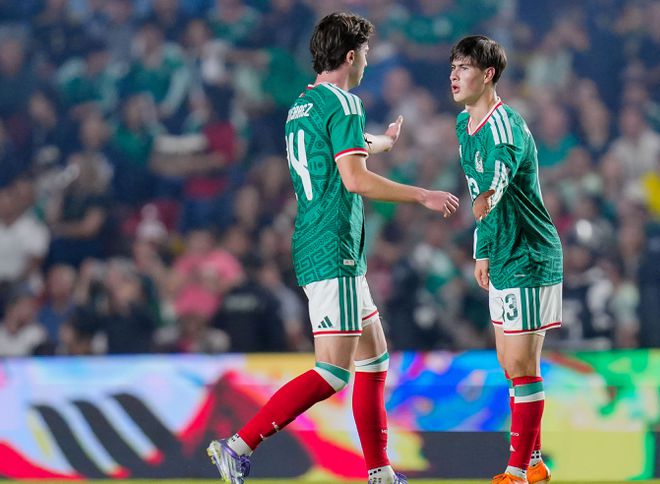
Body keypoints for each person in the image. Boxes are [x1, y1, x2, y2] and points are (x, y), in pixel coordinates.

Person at [206, 12, 459, 484]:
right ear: (350, 55)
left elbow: (349, 148)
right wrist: (420, 194)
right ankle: (238, 445)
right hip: (333, 246)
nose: (367, 62)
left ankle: (380, 472)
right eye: (364, 53)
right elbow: (354, 177)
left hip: (319, 241)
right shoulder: (346, 102)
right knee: (333, 373)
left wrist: (385, 141)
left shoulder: (303, 105)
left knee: (375, 356)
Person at [450, 35, 562, 484]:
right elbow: (479, 189)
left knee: (522, 365)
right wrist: (482, 248)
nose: (455, 75)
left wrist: (487, 205)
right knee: (507, 363)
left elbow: (494, 183)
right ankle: (534, 464)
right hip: (501, 250)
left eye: (464, 67)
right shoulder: (464, 125)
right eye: (452, 67)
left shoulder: (505, 128)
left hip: (530, 253)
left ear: (488, 74)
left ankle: (515, 470)